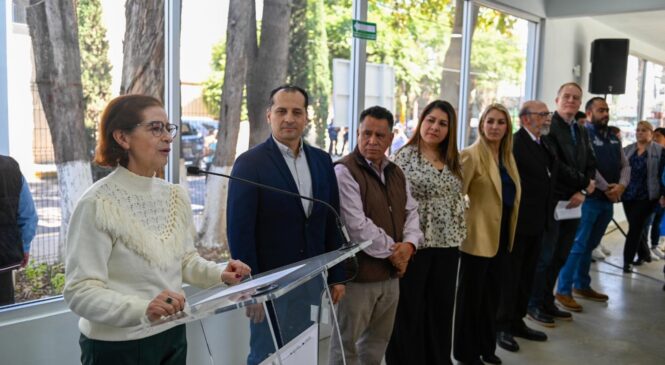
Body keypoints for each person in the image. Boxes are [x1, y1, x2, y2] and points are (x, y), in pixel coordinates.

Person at [63, 94, 250, 365]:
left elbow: (184, 261)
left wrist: (220, 274)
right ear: (122, 138)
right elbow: (80, 291)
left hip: (172, 332)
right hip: (118, 346)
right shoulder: (97, 203)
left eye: (167, 127)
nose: (167, 137)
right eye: (155, 128)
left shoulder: (174, 195)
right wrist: (143, 309)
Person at [227, 85, 345, 365]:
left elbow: (331, 218)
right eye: (281, 111)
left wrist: (337, 275)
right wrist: (250, 289)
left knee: (303, 353)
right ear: (269, 116)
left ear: (307, 118)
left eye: (296, 112)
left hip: (311, 282)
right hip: (268, 287)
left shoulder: (322, 160)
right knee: (266, 355)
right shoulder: (249, 164)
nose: (289, 118)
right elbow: (239, 231)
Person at [329, 105, 422, 365]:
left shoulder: (396, 172)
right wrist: (397, 253)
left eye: (380, 135)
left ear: (391, 138)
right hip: (358, 278)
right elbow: (358, 226)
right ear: (357, 133)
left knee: (377, 344)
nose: (372, 141)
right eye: (366, 133)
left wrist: (410, 246)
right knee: (345, 347)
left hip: (391, 278)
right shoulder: (344, 171)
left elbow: (412, 212)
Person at [386, 100, 465, 365]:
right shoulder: (404, 157)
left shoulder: (453, 159)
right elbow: (397, 206)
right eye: (430, 120)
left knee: (441, 310)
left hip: (448, 245)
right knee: (410, 311)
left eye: (442, 123)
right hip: (416, 246)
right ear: (422, 121)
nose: (435, 127)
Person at [454, 104, 521, 365]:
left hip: (503, 235)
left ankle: (485, 346)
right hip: (477, 238)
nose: (495, 127)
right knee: (471, 299)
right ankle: (465, 352)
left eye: (500, 122)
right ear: (481, 124)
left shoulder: (507, 156)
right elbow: (457, 196)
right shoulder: (470, 155)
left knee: (492, 296)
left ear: (507, 127)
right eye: (490, 121)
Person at [527, 82, 596, 326]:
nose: (571, 100)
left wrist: (582, 191)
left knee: (561, 256)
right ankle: (534, 304)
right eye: (566, 96)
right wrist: (583, 184)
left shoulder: (582, 130)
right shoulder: (549, 127)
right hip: (554, 202)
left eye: (576, 98)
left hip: (575, 203)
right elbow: (556, 164)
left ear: (580, 104)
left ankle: (548, 300)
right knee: (545, 256)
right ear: (557, 100)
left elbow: (590, 162)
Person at [555, 97, 629, 312]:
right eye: (600, 110)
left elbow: (625, 164)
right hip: (590, 200)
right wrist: (607, 188)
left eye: (606, 110)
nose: (605, 113)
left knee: (590, 245)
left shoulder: (614, 137)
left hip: (608, 201)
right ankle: (563, 290)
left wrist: (621, 186)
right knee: (577, 247)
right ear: (588, 113)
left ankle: (582, 285)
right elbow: (588, 167)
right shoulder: (582, 134)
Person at [496, 101, 554, 353]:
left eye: (547, 114)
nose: (547, 118)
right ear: (525, 119)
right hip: (518, 224)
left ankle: (518, 320)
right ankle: (502, 326)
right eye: (542, 114)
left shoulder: (543, 144)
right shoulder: (515, 145)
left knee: (527, 275)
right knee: (511, 277)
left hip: (538, 222)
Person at [621, 121, 665, 272]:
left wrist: (663, 194)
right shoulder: (628, 149)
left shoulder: (660, 151)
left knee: (635, 227)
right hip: (628, 194)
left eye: (644, 130)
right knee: (636, 226)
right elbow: (620, 169)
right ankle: (645, 253)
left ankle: (627, 260)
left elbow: (662, 174)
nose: (640, 132)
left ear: (651, 133)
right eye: (638, 130)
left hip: (648, 195)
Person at [0, 155, 38, 306]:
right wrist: (24, 247)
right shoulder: (10, 168)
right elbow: (28, 216)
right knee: (4, 318)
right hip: (3, 260)